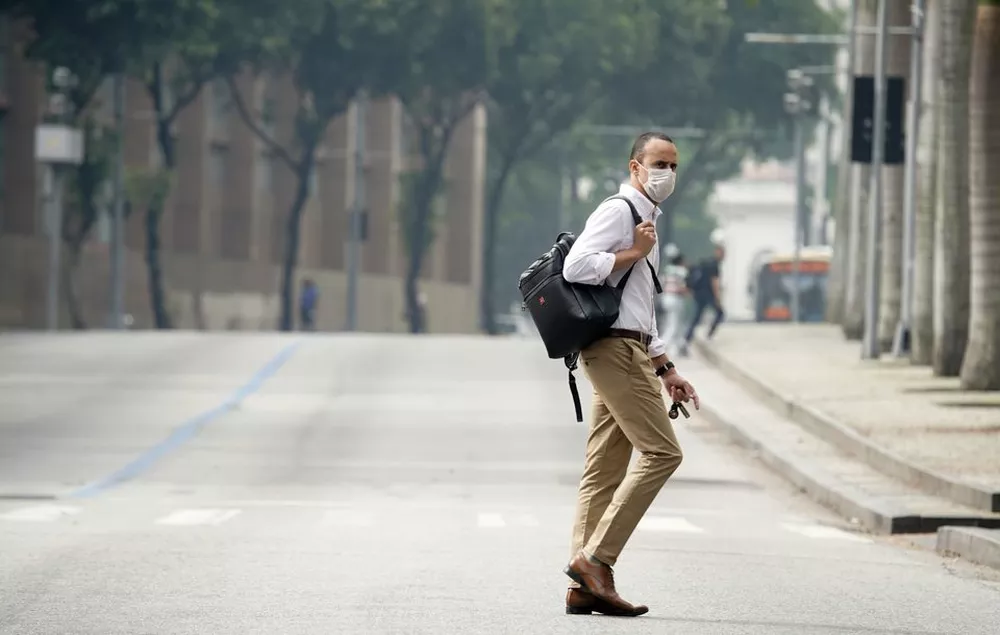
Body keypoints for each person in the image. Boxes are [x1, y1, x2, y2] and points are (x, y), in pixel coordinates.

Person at [560, 131, 700, 617]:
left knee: (603, 469)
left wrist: (666, 368)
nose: (668, 174)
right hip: (615, 350)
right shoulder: (620, 211)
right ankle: (596, 559)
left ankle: (585, 588)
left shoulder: (647, 219)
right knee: (663, 451)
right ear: (636, 166)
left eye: (674, 165)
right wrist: (632, 253)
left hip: (631, 346)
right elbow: (577, 266)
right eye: (659, 163)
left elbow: (642, 306)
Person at [682, 232, 725, 350]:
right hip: (708, 294)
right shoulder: (714, 264)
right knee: (720, 313)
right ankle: (709, 335)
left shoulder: (706, 263)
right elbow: (714, 282)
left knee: (697, 317)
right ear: (718, 252)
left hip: (699, 294)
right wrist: (718, 298)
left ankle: (687, 339)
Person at [658, 245, 689, 358]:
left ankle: (679, 347)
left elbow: (661, 284)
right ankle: (661, 347)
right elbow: (683, 286)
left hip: (666, 298)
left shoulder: (666, 270)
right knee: (673, 325)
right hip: (676, 298)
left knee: (669, 323)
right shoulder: (681, 271)